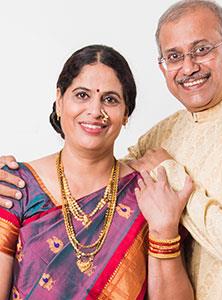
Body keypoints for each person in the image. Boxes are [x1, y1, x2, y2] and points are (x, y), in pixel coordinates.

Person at [0, 0, 222, 299]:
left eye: (202, 49)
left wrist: (173, 176)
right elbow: (102, 172)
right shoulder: (163, 135)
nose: (188, 67)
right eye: (174, 56)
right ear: (59, 99)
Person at [0, 44, 194, 299]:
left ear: (126, 114)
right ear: (59, 101)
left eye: (110, 99)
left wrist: (164, 230)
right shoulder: (17, 186)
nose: (95, 111)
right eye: (82, 95)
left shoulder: (148, 194)